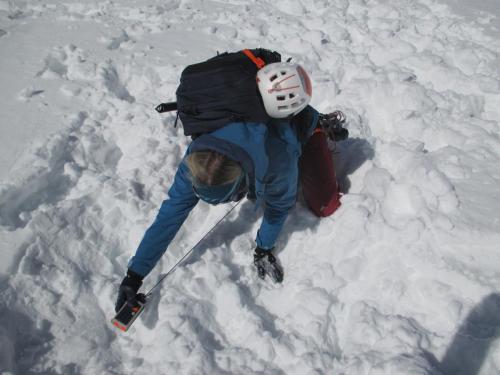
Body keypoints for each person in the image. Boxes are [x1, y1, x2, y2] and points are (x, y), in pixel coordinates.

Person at [115, 61, 348, 312]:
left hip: (290, 128)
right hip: (256, 119)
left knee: (326, 204)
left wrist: (263, 247)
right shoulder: (195, 165)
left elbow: (280, 206)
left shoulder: (278, 162)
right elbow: (169, 216)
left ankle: (319, 124)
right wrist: (134, 275)